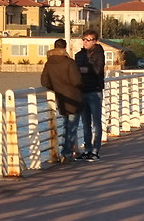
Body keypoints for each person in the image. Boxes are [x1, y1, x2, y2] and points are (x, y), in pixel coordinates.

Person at [41, 38, 86, 162]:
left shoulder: (49, 63)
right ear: (65, 48)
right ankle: (66, 153)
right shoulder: (69, 63)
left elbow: (44, 81)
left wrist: (56, 87)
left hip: (61, 98)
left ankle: (65, 151)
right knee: (72, 126)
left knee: (66, 125)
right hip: (74, 97)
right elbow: (77, 81)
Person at [74, 30, 108, 161]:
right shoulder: (79, 55)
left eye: (88, 40)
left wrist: (84, 69)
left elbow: (97, 70)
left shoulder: (99, 53)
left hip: (95, 90)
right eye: (84, 39)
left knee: (96, 122)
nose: (85, 42)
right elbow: (77, 71)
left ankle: (95, 150)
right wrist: (84, 70)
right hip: (82, 91)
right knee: (85, 122)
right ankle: (87, 149)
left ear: (95, 41)